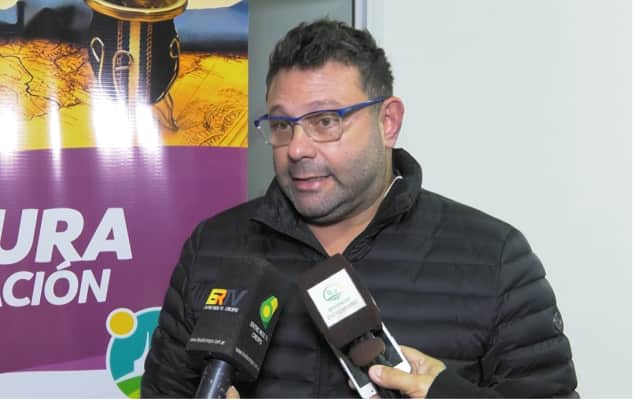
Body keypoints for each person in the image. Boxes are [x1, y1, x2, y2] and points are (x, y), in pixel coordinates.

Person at [141, 19, 577, 398]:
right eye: (282, 124)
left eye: (325, 121)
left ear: (388, 122)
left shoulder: (494, 258)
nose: (296, 148)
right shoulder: (214, 247)